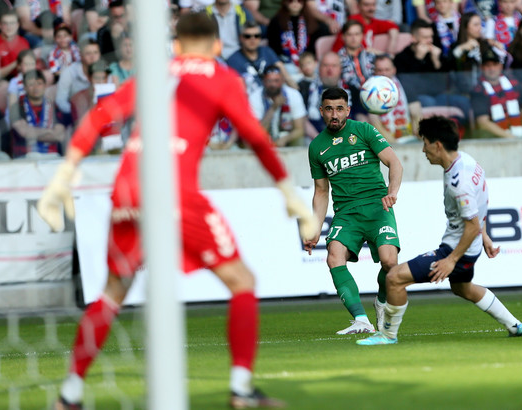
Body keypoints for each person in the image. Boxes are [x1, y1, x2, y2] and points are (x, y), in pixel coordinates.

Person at [38, 12, 316, 409]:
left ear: (178, 45)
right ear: (218, 47)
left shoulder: (154, 72)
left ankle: (69, 395)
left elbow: (100, 117)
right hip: (173, 191)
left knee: (113, 293)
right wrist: (287, 190)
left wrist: (64, 174)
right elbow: (254, 136)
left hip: (129, 190)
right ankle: (241, 391)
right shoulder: (222, 78)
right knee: (242, 282)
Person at [356, 115, 522, 346]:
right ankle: (516, 325)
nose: (423, 150)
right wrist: (485, 235)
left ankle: (387, 335)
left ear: (437, 145)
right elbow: (481, 203)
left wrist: (451, 259)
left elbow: (470, 225)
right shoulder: (469, 163)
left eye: (425, 143)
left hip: (458, 250)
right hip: (471, 246)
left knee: (394, 278)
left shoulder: (458, 183)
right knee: (463, 288)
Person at [303, 86, 403, 334]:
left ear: (348, 110)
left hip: (378, 206)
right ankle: (361, 320)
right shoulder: (316, 147)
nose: (334, 114)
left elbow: (394, 162)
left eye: (339, 109)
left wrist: (392, 191)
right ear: (321, 111)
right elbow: (321, 191)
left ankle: (381, 302)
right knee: (333, 257)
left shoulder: (364, 130)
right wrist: (315, 227)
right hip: (347, 213)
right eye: (329, 109)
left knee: (390, 262)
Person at [471, 46, 522, 138]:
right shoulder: (479, 90)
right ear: (482, 68)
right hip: (493, 138)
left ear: (500, 66)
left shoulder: (513, 83)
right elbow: (483, 122)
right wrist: (508, 136)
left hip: (519, 132)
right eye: (488, 65)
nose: (492, 69)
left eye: (494, 64)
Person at [226, 20, 297, 95]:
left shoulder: (266, 51)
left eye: (256, 36)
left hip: (275, 94)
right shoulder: (233, 60)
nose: (252, 39)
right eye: (248, 36)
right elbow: (238, 91)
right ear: (241, 38)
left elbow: (285, 74)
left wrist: (295, 90)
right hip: (251, 100)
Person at [9, 69, 65, 158]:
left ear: (45, 86)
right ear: (25, 87)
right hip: (25, 157)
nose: (36, 88)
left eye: (39, 83)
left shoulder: (54, 107)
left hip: (51, 155)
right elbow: (24, 132)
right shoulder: (16, 107)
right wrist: (50, 132)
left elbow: (59, 135)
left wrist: (32, 132)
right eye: (31, 84)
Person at [367, 54, 422, 143]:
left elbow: (417, 115)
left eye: (387, 70)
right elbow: (375, 123)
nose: (384, 73)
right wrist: (395, 145)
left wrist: (419, 135)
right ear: (374, 72)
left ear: (394, 70)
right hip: (385, 143)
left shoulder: (406, 86)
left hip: (410, 137)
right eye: (380, 70)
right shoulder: (368, 91)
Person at [249, 65, 307, 146]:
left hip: (287, 137)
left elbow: (300, 129)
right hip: (265, 139)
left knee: (300, 140)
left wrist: (285, 139)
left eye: (276, 81)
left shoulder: (293, 95)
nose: (273, 85)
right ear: (264, 81)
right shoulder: (255, 97)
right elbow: (257, 132)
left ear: (282, 81)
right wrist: (273, 108)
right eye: (269, 81)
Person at [331, 0, 399, 56]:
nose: (371, 8)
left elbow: (393, 26)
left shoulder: (373, 21)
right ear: (358, 6)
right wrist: (385, 55)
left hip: (363, 61)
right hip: (342, 61)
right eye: (366, 5)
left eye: (373, 5)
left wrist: (391, 49)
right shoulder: (354, 21)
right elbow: (360, 49)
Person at [55, 39, 102, 120]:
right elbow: (60, 101)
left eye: (95, 52)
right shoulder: (69, 72)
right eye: (88, 53)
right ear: (80, 55)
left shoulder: (106, 71)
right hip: (77, 118)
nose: (93, 57)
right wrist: (77, 111)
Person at [0, 11, 30, 86]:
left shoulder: (24, 42)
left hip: (19, 77)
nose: (9, 27)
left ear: (17, 25)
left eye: (12, 23)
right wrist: (17, 62)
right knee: (4, 86)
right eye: (5, 23)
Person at [337, 20, 376, 90]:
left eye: (357, 34)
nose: (353, 38)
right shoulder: (337, 59)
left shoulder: (371, 55)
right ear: (343, 37)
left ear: (362, 36)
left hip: (373, 94)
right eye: (349, 34)